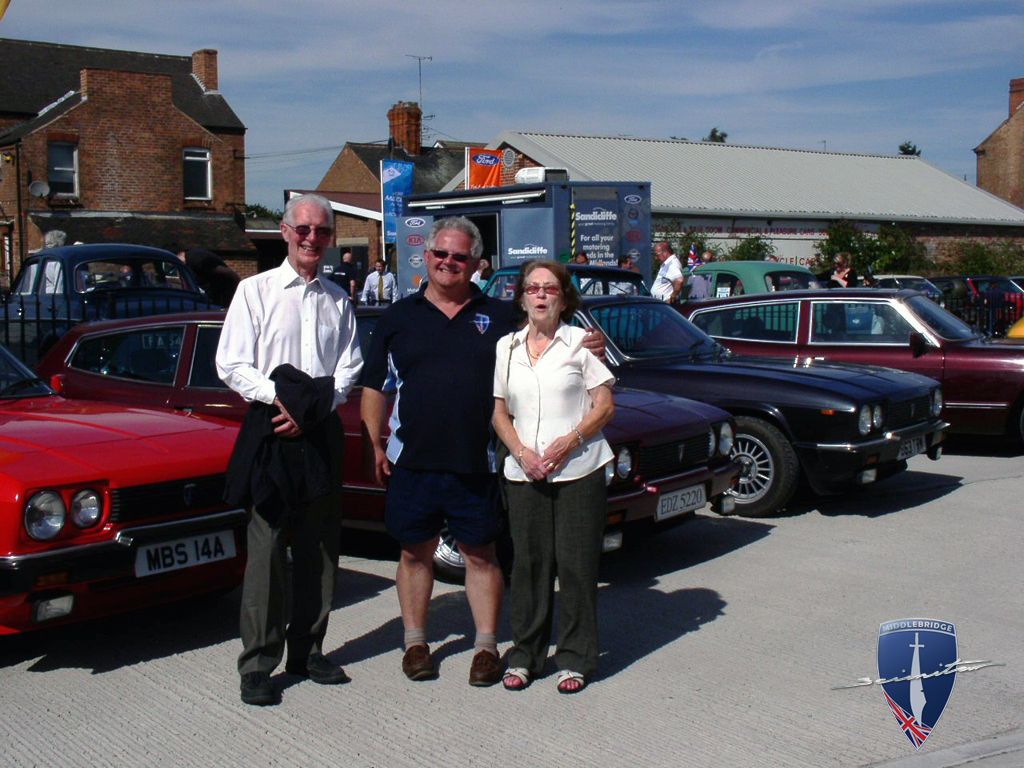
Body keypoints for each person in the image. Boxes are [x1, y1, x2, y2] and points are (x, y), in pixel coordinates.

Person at [360, 216, 606, 688]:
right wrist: (374, 441)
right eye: (441, 254)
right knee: (415, 553)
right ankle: (415, 643)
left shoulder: (500, 315)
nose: (449, 263)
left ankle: (487, 647)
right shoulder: (397, 318)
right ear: (427, 257)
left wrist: (586, 338)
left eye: (460, 256)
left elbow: (548, 329)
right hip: (414, 458)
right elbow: (376, 385)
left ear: (476, 263)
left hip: (479, 460)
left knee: (482, 554)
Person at [216, 193, 363, 707]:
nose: (312, 239)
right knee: (268, 552)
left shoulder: (338, 299)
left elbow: (350, 366)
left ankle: (308, 651)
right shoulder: (253, 293)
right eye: (303, 229)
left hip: (319, 431)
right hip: (271, 431)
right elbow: (231, 363)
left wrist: (315, 408)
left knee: (320, 548)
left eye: (321, 232)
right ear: (284, 231)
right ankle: (258, 664)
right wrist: (279, 401)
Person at [492, 260, 614, 695]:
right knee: (528, 566)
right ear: (522, 296)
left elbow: (604, 406)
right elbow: (499, 411)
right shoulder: (505, 346)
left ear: (564, 298)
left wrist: (568, 441)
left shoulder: (582, 342)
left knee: (577, 567)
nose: (541, 296)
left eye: (550, 289)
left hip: (579, 469)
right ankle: (525, 655)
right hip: (524, 473)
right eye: (533, 288)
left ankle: (576, 658)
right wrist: (522, 453)